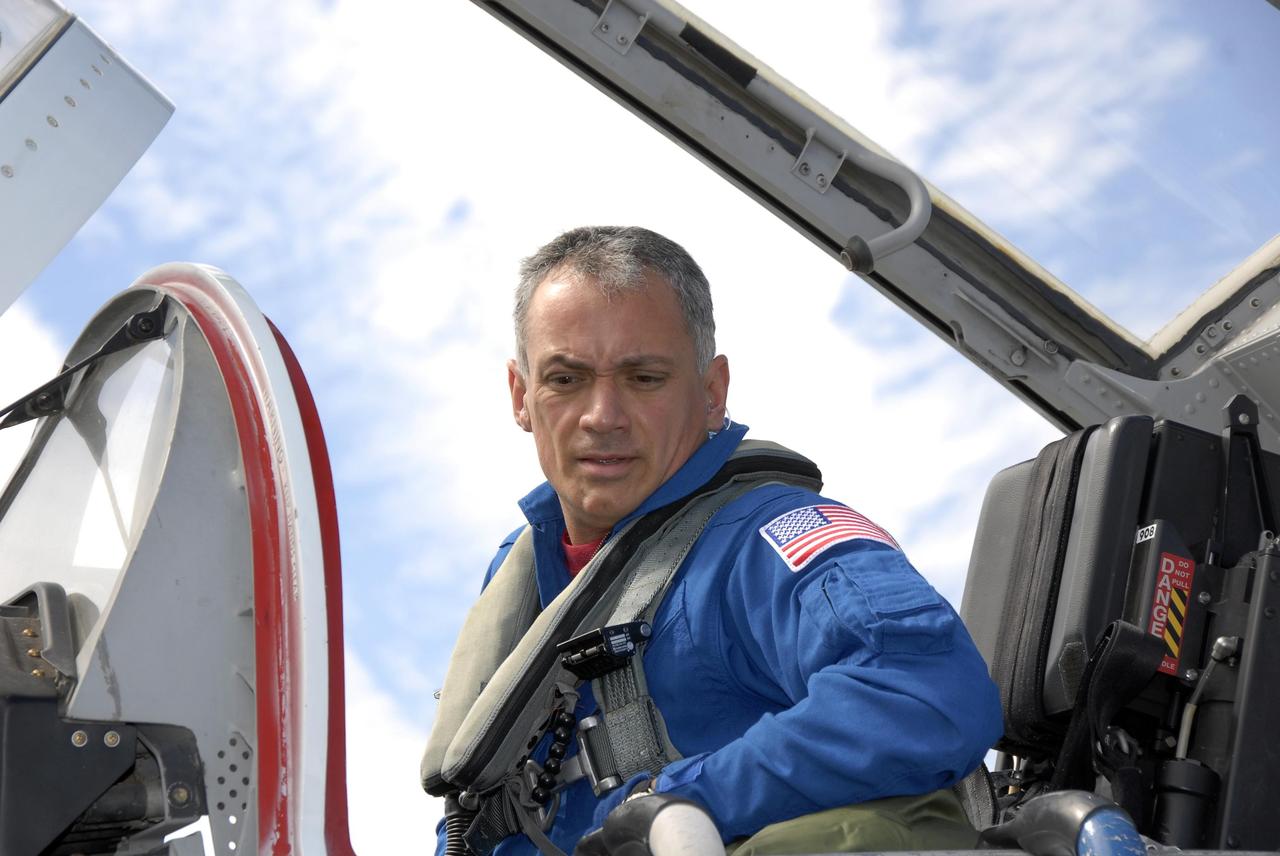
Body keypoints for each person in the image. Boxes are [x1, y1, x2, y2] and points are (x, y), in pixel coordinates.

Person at [428, 226, 1002, 856]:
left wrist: (681, 803)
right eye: (566, 379)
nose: (602, 415)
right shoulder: (522, 582)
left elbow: (925, 690)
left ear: (711, 394)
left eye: (644, 378)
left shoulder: (765, 536)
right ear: (521, 396)